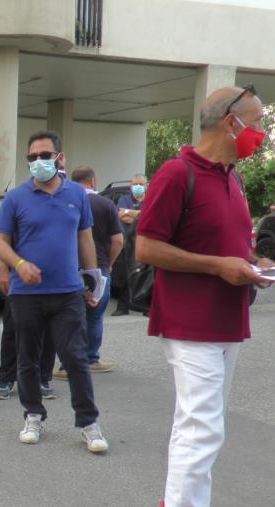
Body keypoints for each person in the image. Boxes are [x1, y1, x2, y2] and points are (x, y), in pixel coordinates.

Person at [136, 85, 272, 507]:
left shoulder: (231, 177)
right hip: (191, 322)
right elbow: (147, 247)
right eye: (257, 124)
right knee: (203, 428)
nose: (262, 133)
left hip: (226, 320)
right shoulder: (177, 173)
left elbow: (222, 242)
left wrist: (251, 262)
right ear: (231, 123)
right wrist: (218, 266)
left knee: (195, 424)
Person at [0, 130, 108, 453]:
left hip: (67, 291)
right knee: (27, 357)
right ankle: (32, 415)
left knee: (75, 357)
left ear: (60, 158)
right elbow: (0, 240)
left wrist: (93, 279)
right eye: (32, 157)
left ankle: (88, 422)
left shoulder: (76, 195)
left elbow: (85, 238)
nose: (38, 162)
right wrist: (17, 264)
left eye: (45, 155)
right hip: (26, 294)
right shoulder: (16, 197)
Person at [59, 166, 123, 376]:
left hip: (69, 267)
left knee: (70, 317)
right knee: (94, 317)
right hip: (100, 268)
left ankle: (65, 363)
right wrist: (110, 263)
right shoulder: (105, 204)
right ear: (93, 181)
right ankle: (91, 358)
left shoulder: (64, 200)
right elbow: (118, 240)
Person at [0, 265, 57, 400]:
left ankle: (42, 378)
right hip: (20, 276)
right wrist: (3, 271)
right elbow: (2, 243)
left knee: (49, 330)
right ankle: (6, 378)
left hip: (53, 277)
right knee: (13, 328)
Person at [112, 173, 147, 316]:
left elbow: (149, 216)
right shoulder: (124, 198)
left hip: (144, 243)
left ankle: (145, 307)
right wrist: (141, 215)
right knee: (124, 276)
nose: (137, 187)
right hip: (127, 243)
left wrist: (131, 214)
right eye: (134, 184)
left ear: (146, 186)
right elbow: (121, 215)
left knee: (145, 275)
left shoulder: (151, 199)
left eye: (140, 184)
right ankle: (122, 307)